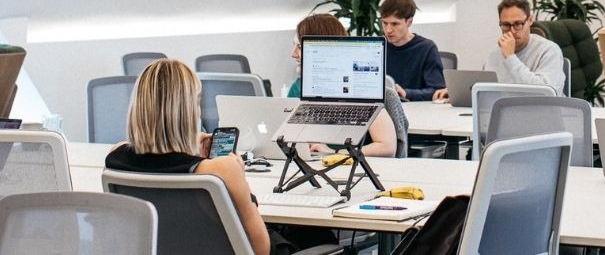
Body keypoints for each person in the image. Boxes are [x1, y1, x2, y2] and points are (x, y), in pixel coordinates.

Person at [104, 59, 271, 255]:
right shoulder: (222, 169)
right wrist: (238, 170)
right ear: (189, 110)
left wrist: (189, 149)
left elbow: (163, 161)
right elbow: (261, 249)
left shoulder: (116, 157)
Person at [289, 13, 399, 157]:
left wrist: (336, 154)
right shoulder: (297, 88)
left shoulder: (357, 88)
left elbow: (387, 147)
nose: (293, 54)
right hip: (308, 166)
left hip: (350, 171)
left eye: (299, 47)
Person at [432, 0, 565, 101]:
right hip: (507, 116)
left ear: (530, 20)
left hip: (543, 119)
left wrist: (511, 57)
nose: (512, 31)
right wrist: (459, 94)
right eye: (506, 25)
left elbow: (545, 94)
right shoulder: (495, 54)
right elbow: (489, 90)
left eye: (518, 24)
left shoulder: (549, 50)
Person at [379, 0, 445, 101]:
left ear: (409, 22)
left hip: (418, 110)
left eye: (395, 24)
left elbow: (438, 91)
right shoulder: (379, 46)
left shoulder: (427, 48)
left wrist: (406, 93)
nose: (388, 30)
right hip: (384, 109)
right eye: (385, 23)